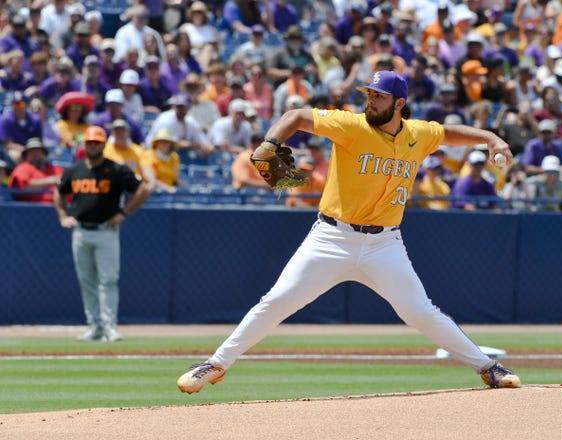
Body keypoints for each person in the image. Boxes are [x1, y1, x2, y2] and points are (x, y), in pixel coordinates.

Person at [177, 70, 521, 394]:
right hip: (331, 239)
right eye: (369, 94)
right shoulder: (351, 125)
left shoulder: (419, 133)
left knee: (420, 311)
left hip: (385, 244)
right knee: (278, 301)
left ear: (399, 103)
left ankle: (488, 367)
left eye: (379, 96)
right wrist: (270, 142)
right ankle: (216, 363)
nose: (370, 101)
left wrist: (491, 138)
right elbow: (296, 115)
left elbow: (448, 132)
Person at [53, 126, 150, 342]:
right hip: (80, 230)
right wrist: (62, 216)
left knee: (108, 280)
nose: (93, 145)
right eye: (89, 142)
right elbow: (59, 194)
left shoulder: (116, 169)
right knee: (86, 281)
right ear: (84, 144)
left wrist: (124, 212)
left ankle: (110, 326)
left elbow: (142, 189)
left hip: (105, 230)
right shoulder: (74, 170)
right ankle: (95, 326)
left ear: (104, 144)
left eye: (96, 142)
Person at [8, 137, 64, 202]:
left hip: (60, 206)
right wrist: (51, 181)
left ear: (44, 154)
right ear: (26, 155)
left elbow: (67, 182)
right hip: (31, 208)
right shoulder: (23, 168)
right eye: (32, 152)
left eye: (38, 151)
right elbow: (24, 186)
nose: (35, 155)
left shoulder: (56, 168)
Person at [0, 91, 43, 167]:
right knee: (16, 155)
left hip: (32, 148)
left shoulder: (35, 120)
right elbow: (7, 144)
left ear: (26, 105)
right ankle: (19, 176)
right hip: (16, 150)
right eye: (15, 104)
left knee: (41, 155)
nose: (18, 107)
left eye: (21, 104)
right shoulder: (6, 119)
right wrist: (24, 150)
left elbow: (39, 141)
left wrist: (30, 150)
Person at [140, 128, 181, 193]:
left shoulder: (175, 157)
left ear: (171, 144)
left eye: (166, 141)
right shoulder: (148, 155)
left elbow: (175, 179)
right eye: (161, 141)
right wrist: (168, 188)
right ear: (156, 143)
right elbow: (150, 180)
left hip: (171, 193)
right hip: (152, 193)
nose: (164, 144)